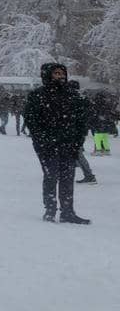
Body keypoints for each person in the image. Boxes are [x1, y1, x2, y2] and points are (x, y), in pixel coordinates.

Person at [24, 63, 91, 223]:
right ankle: (50, 209)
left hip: (69, 145)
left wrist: (77, 142)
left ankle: (67, 212)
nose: (60, 76)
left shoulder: (73, 95)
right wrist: (43, 140)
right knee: (51, 176)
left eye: (62, 73)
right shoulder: (37, 95)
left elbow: (82, 121)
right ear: (48, 75)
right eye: (56, 73)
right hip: (47, 147)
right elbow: (32, 121)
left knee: (67, 178)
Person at [91, 91, 117, 157]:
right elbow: (110, 114)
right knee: (105, 138)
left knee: (97, 138)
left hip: (98, 124)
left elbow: (93, 115)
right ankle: (107, 150)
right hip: (106, 124)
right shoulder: (106, 104)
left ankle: (98, 151)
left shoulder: (95, 105)